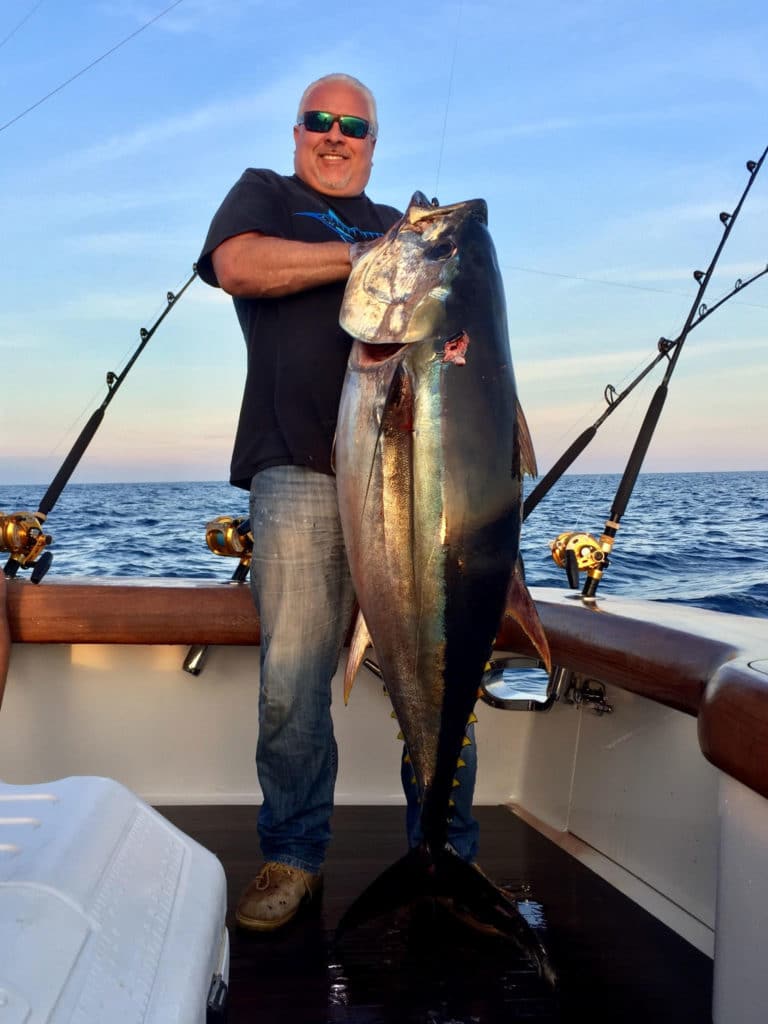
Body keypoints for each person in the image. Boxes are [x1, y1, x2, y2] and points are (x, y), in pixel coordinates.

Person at [196, 73, 479, 933]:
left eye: (351, 126)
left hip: (414, 483)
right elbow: (235, 266)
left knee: (439, 677)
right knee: (291, 681)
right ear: (296, 134)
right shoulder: (267, 197)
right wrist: (366, 259)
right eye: (319, 121)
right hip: (300, 473)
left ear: (371, 141)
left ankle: (448, 858)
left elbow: (461, 351)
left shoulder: (407, 234)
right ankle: (294, 855)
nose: (334, 135)